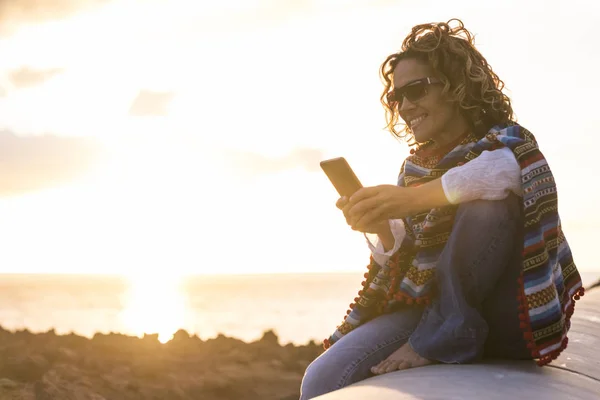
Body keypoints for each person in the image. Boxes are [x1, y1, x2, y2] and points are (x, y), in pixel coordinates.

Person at [300, 19, 585, 400]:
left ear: (458, 88)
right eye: (395, 98)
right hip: (429, 310)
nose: (404, 106)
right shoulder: (416, 170)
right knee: (321, 379)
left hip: (511, 316)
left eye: (415, 90)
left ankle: (445, 336)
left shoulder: (508, 146)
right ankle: (442, 331)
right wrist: (381, 227)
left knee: (486, 204)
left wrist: (408, 200)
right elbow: (405, 265)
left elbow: (498, 175)